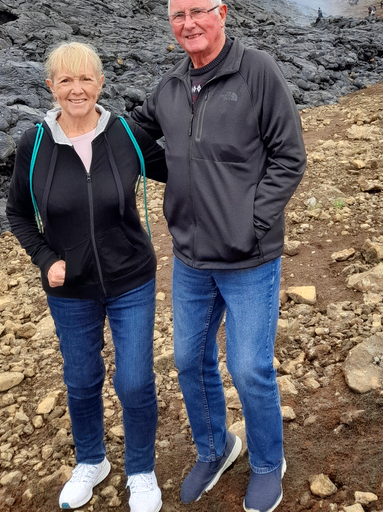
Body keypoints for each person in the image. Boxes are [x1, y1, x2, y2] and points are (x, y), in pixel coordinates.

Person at [131, 1, 306, 511]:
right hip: (190, 257)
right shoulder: (168, 88)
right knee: (189, 359)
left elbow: (289, 155)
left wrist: (251, 219)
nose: (188, 23)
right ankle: (216, 448)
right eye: (177, 15)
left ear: (222, 13)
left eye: (197, 11)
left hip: (249, 258)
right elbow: (131, 140)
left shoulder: (258, 72)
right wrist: (71, 123)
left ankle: (269, 463)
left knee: (250, 368)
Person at [5, 41, 167, 512]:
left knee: (135, 381)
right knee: (81, 378)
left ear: (101, 83)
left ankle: (140, 470)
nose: (77, 90)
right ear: (51, 86)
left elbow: (183, 170)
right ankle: (92, 461)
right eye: (66, 80)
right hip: (69, 288)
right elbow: (17, 212)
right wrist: (44, 258)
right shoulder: (33, 144)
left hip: (131, 279)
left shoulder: (126, 134)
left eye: (86, 79)